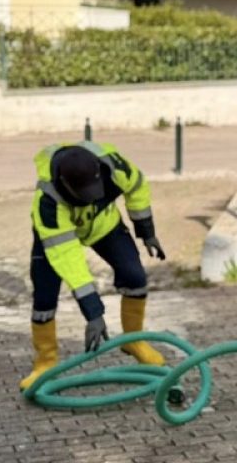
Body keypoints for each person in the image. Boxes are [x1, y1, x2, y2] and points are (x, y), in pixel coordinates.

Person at [20, 140, 168, 391]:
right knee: (45, 296)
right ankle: (45, 363)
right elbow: (71, 262)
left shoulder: (114, 166)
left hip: (103, 225)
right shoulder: (48, 203)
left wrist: (146, 232)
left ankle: (134, 341)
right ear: (65, 184)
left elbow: (138, 186)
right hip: (58, 239)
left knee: (135, 276)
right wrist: (93, 313)